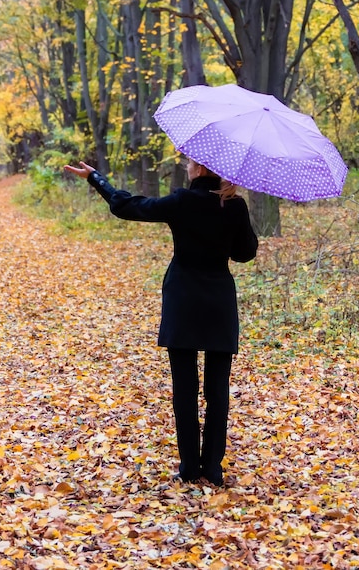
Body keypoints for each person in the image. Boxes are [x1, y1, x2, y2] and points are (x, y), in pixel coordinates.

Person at [64, 158, 258, 486]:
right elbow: (245, 253)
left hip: (183, 299)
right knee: (217, 388)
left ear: (198, 168)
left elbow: (128, 206)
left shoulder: (182, 201)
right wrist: (230, 215)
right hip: (218, 303)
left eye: (188, 162)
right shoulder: (234, 204)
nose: (185, 165)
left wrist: (96, 178)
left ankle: (189, 468)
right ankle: (212, 468)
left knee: (184, 388)